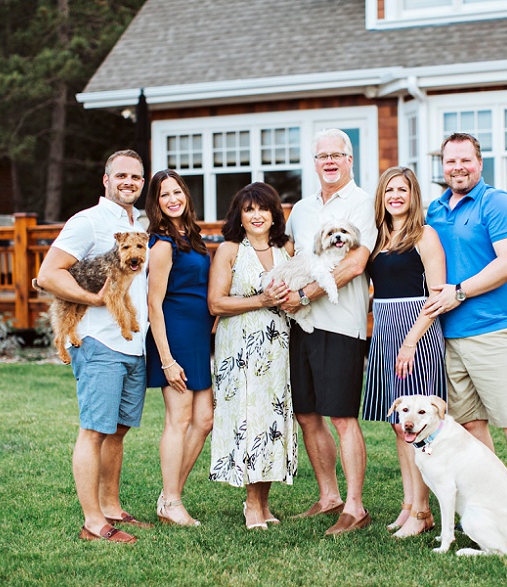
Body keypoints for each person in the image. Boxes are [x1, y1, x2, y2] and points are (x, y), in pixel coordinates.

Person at [423, 132, 507, 546]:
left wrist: (459, 291)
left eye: (465, 160)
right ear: (442, 166)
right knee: (474, 429)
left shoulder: (498, 202)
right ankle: (497, 507)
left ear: (479, 162)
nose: (457, 168)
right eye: (450, 161)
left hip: (493, 330)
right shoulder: (437, 209)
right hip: (450, 337)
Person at [36, 149, 151, 544]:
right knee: (93, 431)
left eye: (135, 177)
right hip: (100, 342)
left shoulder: (141, 224)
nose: (129, 182)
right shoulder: (88, 221)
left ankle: (113, 508)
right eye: (121, 175)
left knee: (117, 431)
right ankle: (92, 523)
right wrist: (93, 299)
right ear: (106, 180)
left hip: (134, 345)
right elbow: (48, 274)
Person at [281, 128, 378, 536]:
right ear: (314, 162)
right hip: (300, 325)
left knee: (341, 416)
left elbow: (355, 263)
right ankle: (329, 496)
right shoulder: (301, 210)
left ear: (350, 160)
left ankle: (355, 507)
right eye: (322, 156)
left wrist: (304, 293)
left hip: (340, 324)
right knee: (306, 413)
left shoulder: (363, 204)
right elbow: (286, 255)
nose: (330, 162)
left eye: (338, 155)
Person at [361, 166, 447, 538]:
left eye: (403, 189)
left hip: (416, 334)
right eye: (389, 190)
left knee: (420, 426)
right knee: (401, 426)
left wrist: (411, 341)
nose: (395, 195)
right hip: (384, 332)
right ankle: (409, 506)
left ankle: (423, 512)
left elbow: (439, 294)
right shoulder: (377, 237)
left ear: (413, 196)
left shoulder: (424, 235)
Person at [207, 182, 298, 530]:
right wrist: (261, 301)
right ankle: (250, 504)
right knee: (248, 421)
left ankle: (264, 502)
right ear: (240, 217)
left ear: (275, 213)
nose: (257, 215)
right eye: (249, 209)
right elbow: (216, 303)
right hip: (240, 351)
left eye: (263, 208)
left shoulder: (286, 248)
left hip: (278, 351)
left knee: (272, 423)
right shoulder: (230, 250)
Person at [144, 169, 214, 527]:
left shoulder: (194, 237)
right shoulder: (161, 244)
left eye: (176, 192)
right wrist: (168, 360)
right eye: (163, 195)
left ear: (185, 195)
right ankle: (171, 501)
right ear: (155, 203)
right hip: (175, 337)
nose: (172, 199)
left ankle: (169, 496)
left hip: (200, 336)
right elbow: (154, 305)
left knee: (204, 420)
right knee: (179, 420)